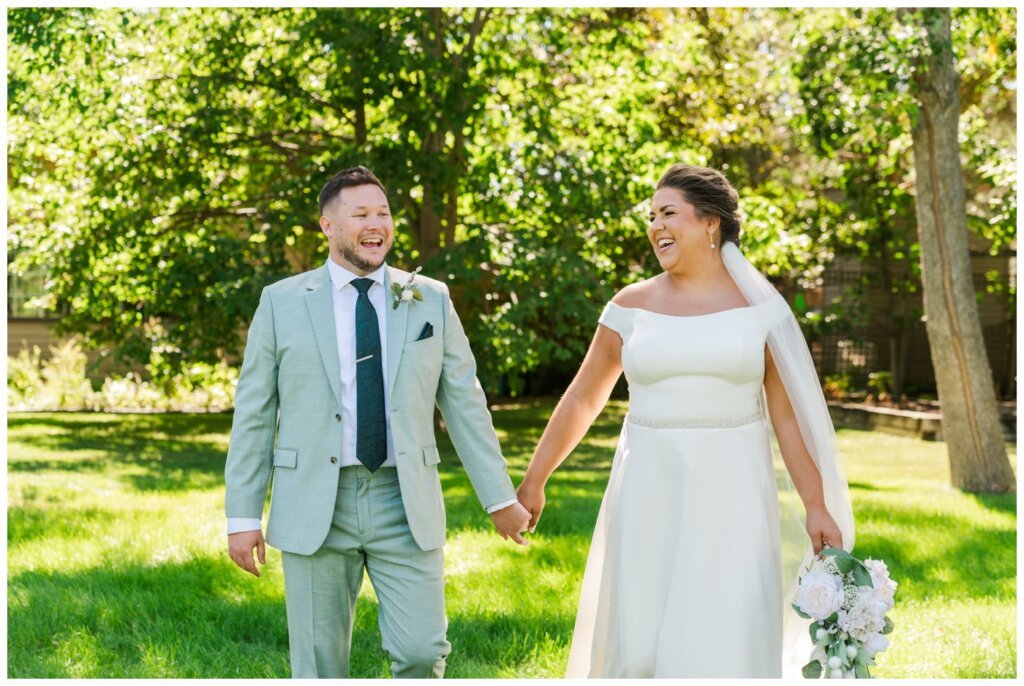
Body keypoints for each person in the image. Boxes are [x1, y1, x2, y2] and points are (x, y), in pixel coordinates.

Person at [516, 164, 856, 678]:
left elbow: (787, 421)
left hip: (733, 493)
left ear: (711, 223)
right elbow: (583, 399)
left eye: (668, 213)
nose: (655, 227)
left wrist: (816, 504)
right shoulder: (630, 306)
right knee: (640, 633)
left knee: (725, 624)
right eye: (651, 217)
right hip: (648, 489)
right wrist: (535, 479)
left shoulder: (762, 312)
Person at [224, 166, 531, 678]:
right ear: (327, 226)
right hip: (315, 501)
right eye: (360, 213)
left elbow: (464, 401)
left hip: (403, 499)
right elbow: (255, 414)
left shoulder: (429, 296)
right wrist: (242, 516)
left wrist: (499, 497)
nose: (377, 223)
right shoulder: (280, 302)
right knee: (319, 667)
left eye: (383, 213)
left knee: (420, 653)